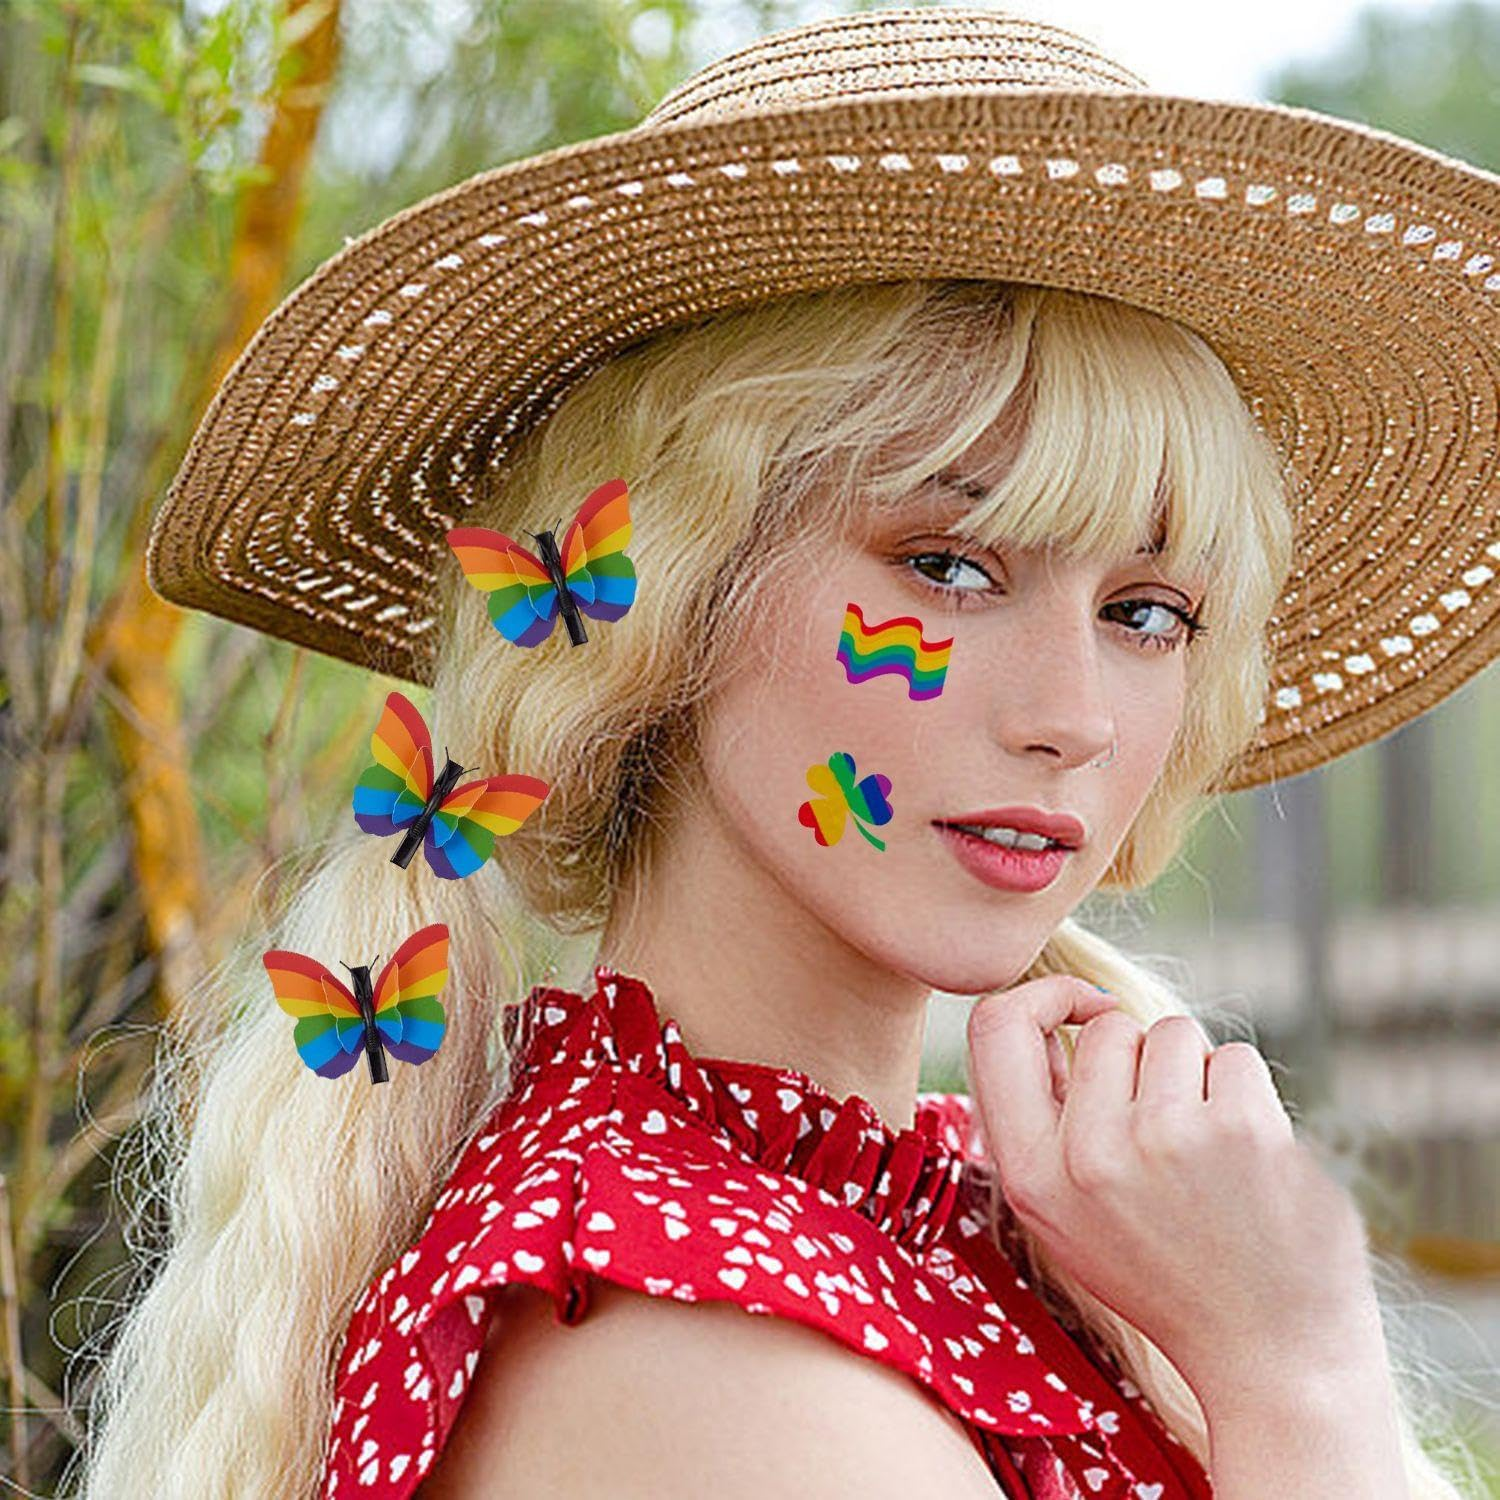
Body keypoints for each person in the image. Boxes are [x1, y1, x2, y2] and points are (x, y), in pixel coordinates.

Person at [69, 8, 1499, 1498]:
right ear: (674, 591)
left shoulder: (952, 1222)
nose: (1070, 712)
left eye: (1147, 610)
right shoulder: (694, 1356)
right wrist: (1297, 1372)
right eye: (950, 567)